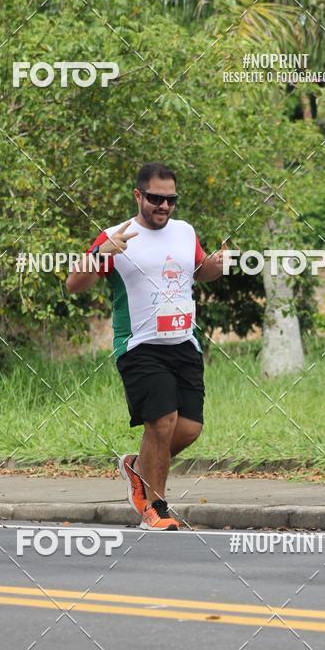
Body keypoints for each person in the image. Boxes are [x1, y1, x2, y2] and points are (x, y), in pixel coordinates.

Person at [66, 162, 225, 530]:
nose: (164, 206)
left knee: (188, 428)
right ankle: (156, 508)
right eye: (155, 198)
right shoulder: (116, 235)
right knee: (162, 422)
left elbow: (198, 272)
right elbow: (74, 284)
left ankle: (138, 468)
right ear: (138, 195)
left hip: (184, 342)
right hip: (138, 345)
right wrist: (101, 253)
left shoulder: (185, 232)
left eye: (171, 200)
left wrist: (216, 266)